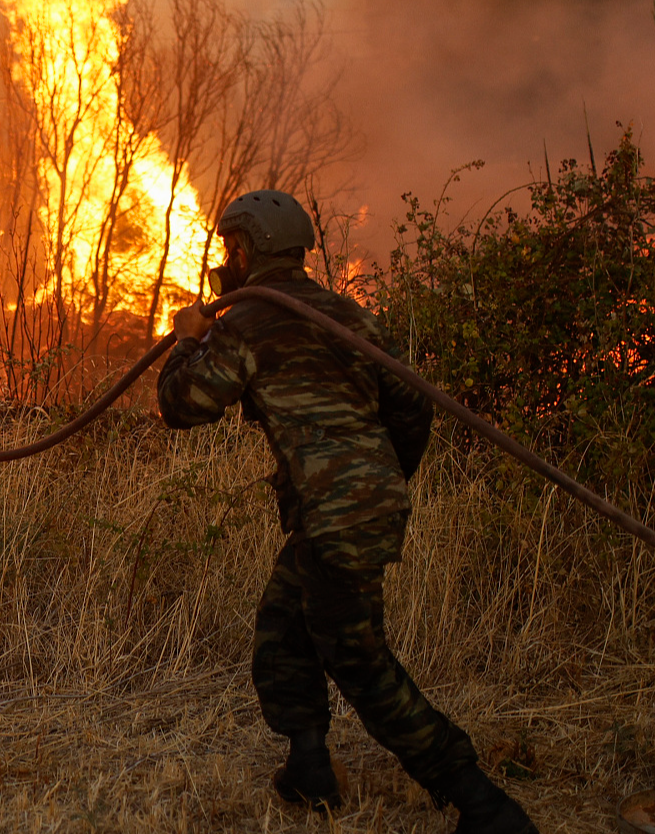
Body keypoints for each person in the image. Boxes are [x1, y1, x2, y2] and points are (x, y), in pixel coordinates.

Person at [156, 190, 538, 834]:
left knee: (360, 662)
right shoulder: (351, 317)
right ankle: (309, 769)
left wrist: (185, 341)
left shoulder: (245, 321)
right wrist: (377, 484)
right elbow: (412, 410)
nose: (226, 260)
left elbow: (184, 406)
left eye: (229, 249)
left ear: (243, 250)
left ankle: (482, 802)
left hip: (333, 514)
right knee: (283, 622)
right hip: (361, 503)